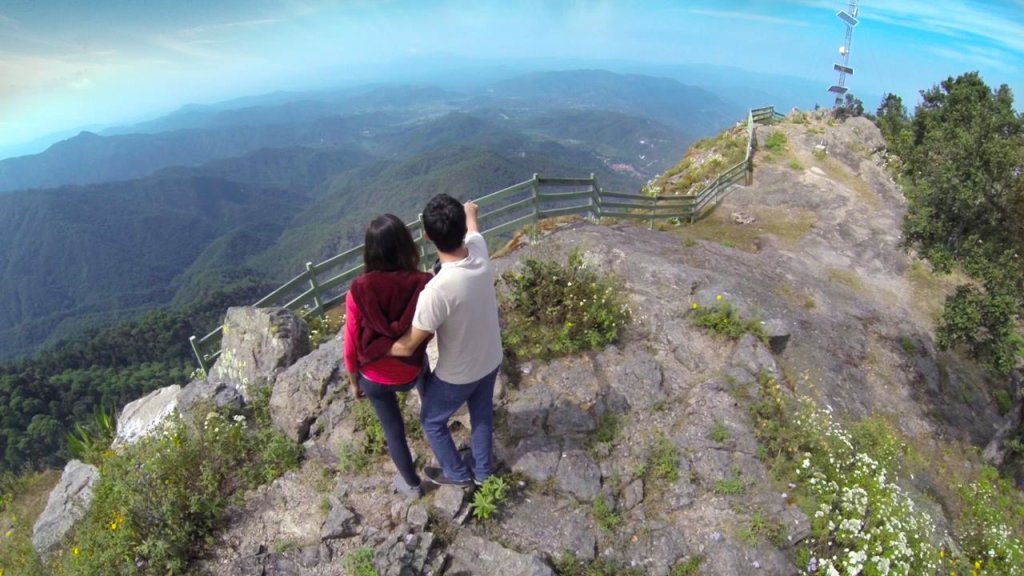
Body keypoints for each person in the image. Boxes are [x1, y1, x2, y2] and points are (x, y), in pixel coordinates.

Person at [391, 194, 503, 487]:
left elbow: (408, 345)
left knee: (431, 420)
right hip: (491, 358)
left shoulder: (437, 290)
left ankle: (456, 473)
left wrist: (373, 348)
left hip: (459, 374)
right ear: (463, 232)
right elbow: (474, 228)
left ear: (427, 236)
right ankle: (482, 473)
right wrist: (469, 211)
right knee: (482, 415)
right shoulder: (479, 251)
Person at [344, 213, 433, 499]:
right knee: (425, 369)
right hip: (410, 370)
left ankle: (412, 485)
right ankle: (432, 411)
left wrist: (354, 381)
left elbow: (350, 343)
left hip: (374, 375)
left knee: (393, 431)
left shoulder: (358, 289)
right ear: (406, 246)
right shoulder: (423, 283)